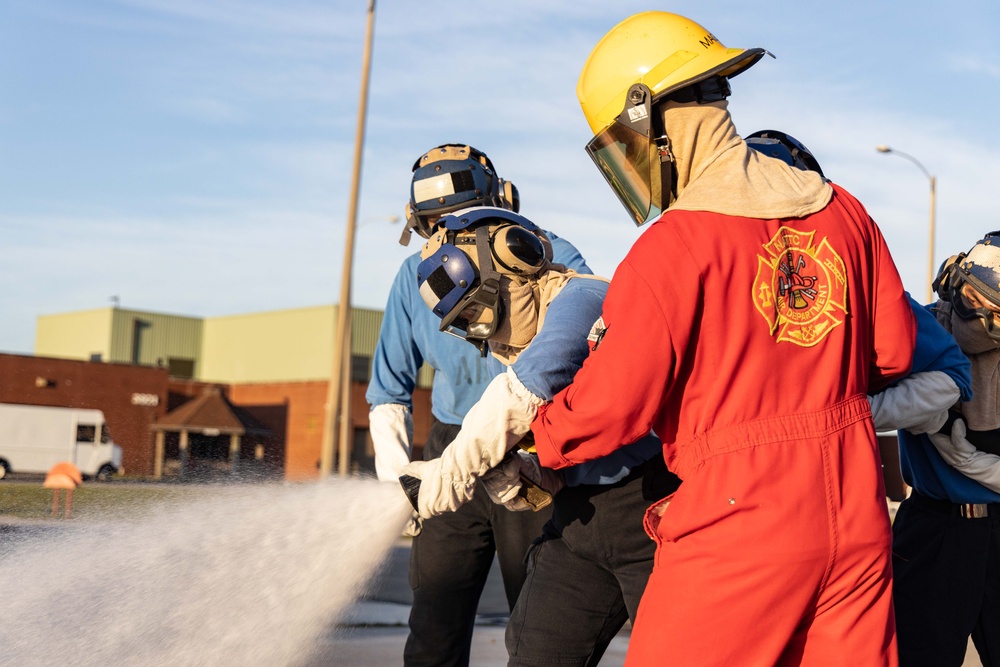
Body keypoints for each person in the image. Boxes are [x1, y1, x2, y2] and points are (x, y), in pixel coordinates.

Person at [526, 11, 916, 666]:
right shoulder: (843, 209)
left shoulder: (671, 247)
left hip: (738, 525)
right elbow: (895, 352)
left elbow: (613, 405)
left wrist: (542, 435)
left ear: (650, 119)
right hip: (856, 521)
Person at [397, 205, 680, 667]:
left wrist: (453, 468)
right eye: (467, 324)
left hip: (651, 512)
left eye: (479, 310)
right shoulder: (509, 349)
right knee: (536, 652)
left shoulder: (586, 297)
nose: (482, 332)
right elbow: (554, 439)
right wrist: (527, 474)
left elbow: (526, 389)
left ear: (515, 262)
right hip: (578, 527)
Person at [365, 143, 590, 667]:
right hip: (447, 450)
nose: (446, 246)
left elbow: (578, 346)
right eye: (436, 229)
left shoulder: (548, 254)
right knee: (433, 631)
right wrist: (399, 483)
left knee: (538, 627)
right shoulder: (412, 278)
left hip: (530, 454)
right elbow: (389, 390)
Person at [891, 235, 1000, 667]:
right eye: (975, 297)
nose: (982, 316)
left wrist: (977, 465)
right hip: (933, 527)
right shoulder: (919, 331)